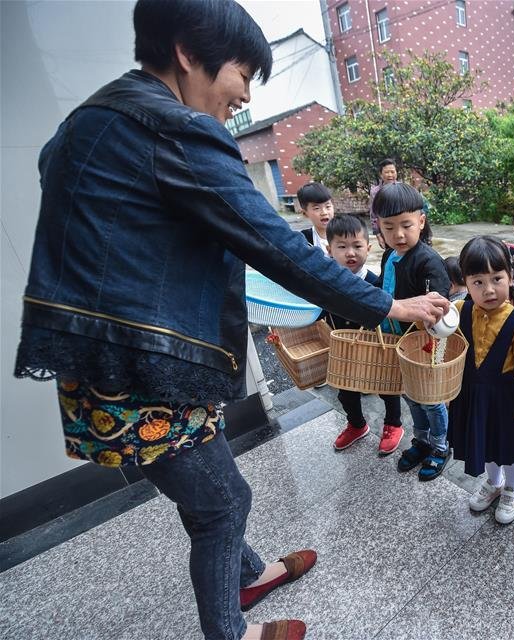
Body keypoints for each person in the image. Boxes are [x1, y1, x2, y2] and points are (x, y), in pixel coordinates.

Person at [13, 2, 448, 639]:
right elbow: (270, 240)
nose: (244, 96)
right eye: (243, 73)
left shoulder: (89, 122)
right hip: (148, 371)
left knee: (210, 494)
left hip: (102, 364)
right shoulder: (171, 128)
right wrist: (389, 305)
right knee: (224, 504)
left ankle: (246, 573)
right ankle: (230, 627)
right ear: (188, 52)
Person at [448, 236, 514, 524]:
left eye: (497, 278)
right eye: (478, 282)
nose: (489, 290)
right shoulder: (460, 311)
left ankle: (513, 487)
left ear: (510, 277)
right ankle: (494, 482)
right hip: (472, 395)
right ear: (465, 282)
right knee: (486, 443)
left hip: (505, 398)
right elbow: (446, 347)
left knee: (510, 446)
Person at [374, 183, 453, 481]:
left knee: (431, 398)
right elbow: (383, 288)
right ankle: (421, 440)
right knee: (409, 395)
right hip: (396, 342)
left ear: (421, 221)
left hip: (425, 343)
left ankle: (441, 445)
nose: (398, 235)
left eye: (406, 225)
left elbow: (439, 304)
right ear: (379, 227)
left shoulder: (428, 260)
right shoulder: (388, 256)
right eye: (389, 227)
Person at [320, 215, 405, 455]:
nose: (350, 253)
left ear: (368, 248)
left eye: (357, 246)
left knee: (387, 387)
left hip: (376, 348)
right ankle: (356, 424)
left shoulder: (376, 283)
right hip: (344, 351)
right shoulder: (326, 285)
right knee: (346, 391)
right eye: (342, 247)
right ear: (329, 250)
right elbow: (317, 315)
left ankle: (394, 424)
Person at [296, 182, 334, 254]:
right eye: (317, 208)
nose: (324, 212)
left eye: (328, 206)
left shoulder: (347, 232)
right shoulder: (304, 240)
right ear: (305, 213)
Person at [369, 158, 398, 247]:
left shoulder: (402, 189)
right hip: (385, 229)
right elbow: (373, 215)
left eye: (392, 172)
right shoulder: (375, 192)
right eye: (387, 172)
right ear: (381, 174)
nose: (390, 175)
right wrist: (378, 235)